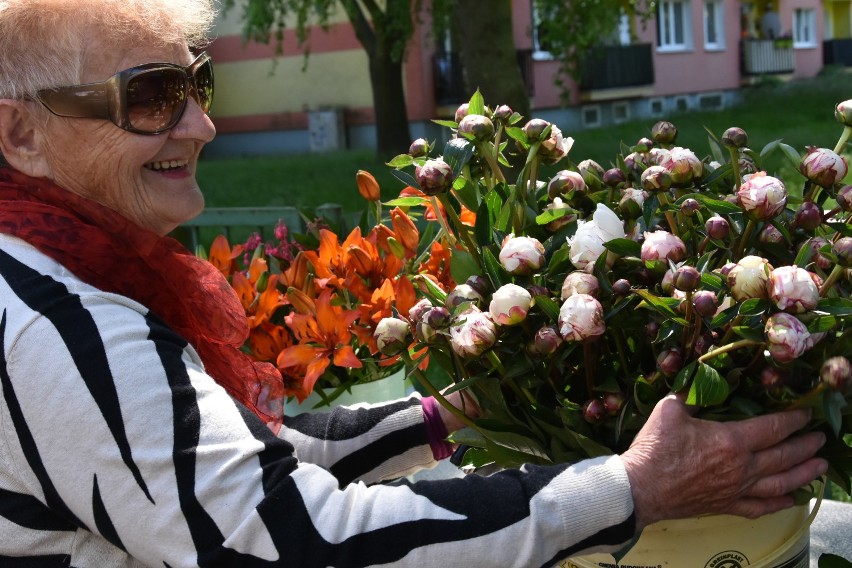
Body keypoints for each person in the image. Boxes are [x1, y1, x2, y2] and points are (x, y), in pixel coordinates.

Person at [0, 1, 828, 566]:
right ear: (19, 131)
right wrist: (635, 488)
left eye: (198, 84)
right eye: (151, 98)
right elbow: (300, 542)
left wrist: (456, 411)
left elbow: (253, 460)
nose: (203, 125)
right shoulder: (57, 324)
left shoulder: (50, 265)